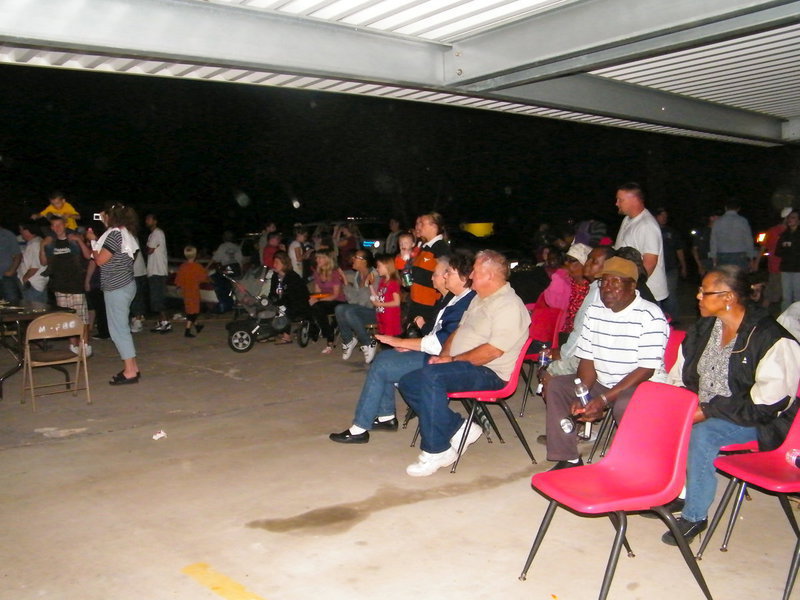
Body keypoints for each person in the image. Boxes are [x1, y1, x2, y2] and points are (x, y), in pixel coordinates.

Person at [661, 266, 800, 545]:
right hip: (706, 406)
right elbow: (680, 373)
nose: (698, 296)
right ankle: (675, 490)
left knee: (704, 434)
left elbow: (767, 404)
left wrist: (708, 411)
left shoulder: (770, 338)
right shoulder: (704, 329)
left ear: (728, 297)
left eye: (705, 292)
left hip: (759, 420)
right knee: (664, 415)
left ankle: (695, 515)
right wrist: (678, 404)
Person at [397, 250, 530, 477]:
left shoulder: (509, 305)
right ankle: (458, 428)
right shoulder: (480, 298)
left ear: (490, 275)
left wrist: (453, 360)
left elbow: (492, 351)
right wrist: (445, 355)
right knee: (408, 382)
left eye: (475, 272)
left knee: (431, 377)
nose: (470, 277)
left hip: (490, 372)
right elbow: (459, 330)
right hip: (464, 364)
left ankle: (436, 450)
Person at [329, 254, 475, 444]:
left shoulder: (464, 302)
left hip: (442, 358)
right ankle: (385, 417)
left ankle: (361, 427)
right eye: (444, 272)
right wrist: (410, 344)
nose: (442, 277)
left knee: (383, 364)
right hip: (433, 352)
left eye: (447, 272)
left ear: (464, 278)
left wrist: (402, 343)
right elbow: (435, 335)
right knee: (385, 359)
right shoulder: (454, 299)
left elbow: (440, 343)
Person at [542, 257, 669, 470]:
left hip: (641, 385)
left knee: (625, 403)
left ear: (632, 285)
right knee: (557, 387)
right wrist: (584, 394)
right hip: (604, 381)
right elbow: (588, 358)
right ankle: (569, 458)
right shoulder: (595, 311)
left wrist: (601, 399)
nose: (607, 289)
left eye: (615, 282)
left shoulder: (651, 315)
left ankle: (637, 467)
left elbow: (646, 369)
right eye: (604, 282)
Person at [85, 204, 141, 385]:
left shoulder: (115, 234)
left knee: (119, 331)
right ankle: (132, 367)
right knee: (121, 328)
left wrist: (93, 240)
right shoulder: (125, 233)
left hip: (117, 288)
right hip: (125, 285)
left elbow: (100, 260)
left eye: (104, 215)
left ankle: (130, 371)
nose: (102, 218)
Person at [539, 245, 614, 378]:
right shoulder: (592, 288)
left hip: (587, 354)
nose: (588, 263)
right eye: (588, 259)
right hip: (576, 342)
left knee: (547, 371)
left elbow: (580, 333)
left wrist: (562, 354)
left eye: (594, 262)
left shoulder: (598, 293)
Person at [40, 216, 93, 356]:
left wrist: (80, 241)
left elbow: (88, 256)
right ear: (51, 227)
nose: (57, 228)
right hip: (59, 285)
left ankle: (85, 344)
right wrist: (42, 246)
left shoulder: (73, 239)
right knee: (67, 318)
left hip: (76, 284)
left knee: (82, 318)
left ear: (65, 225)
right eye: (54, 225)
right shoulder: (50, 242)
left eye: (59, 225)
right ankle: (73, 344)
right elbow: (43, 262)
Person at [613, 182, 668, 303]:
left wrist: (633, 287)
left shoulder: (647, 225)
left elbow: (650, 263)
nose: (616, 203)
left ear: (634, 200)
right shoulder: (627, 220)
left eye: (620, 200)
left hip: (646, 292)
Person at [336, 249, 379, 363]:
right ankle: (348, 340)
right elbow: (354, 300)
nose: (353, 259)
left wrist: (353, 296)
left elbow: (365, 301)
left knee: (349, 311)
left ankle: (367, 343)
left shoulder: (374, 275)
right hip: (362, 309)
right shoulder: (357, 276)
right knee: (339, 309)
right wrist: (345, 281)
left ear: (364, 261)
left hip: (375, 312)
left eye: (356, 257)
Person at [408, 212, 449, 325]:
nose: (418, 227)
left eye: (422, 224)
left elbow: (445, 277)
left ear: (434, 226)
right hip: (416, 302)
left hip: (428, 307)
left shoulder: (440, 248)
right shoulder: (424, 247)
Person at [268, 250, 311, 344]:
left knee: (283, 310)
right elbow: (272, 292)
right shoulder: (275, 276)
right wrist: (271, 300)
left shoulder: (293, 277)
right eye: (274, 262)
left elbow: (294, 297)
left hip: (297, 304)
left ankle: (287, 337)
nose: (274, 265)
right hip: (283, 302)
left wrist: (279, 304)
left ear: (284, 263)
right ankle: (272, 332)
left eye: (277, 262)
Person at [309, 250, 346, 354]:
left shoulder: (334, 273)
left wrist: (318, 300)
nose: (317, 260)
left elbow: (335, 295)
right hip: (325, 300)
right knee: (312, 305)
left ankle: (329, 337)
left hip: (338, 301)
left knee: (318, 306)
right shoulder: (317, 272)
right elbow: (317, 292)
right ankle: (317, 331)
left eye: (320, 258)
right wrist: (314, 298)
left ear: (327, 260)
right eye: (317, 258)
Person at [655, 208, 687, 320]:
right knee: (657, 295)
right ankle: (658, 319)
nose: (664, 218)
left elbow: (679, 249)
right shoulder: (651, 230)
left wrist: (683, 265)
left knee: (670, 294)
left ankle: (674, 319)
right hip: (655, 269)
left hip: (670, 268)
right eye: (661, 215)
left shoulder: (672, 232)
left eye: (665, 216)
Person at [710, 199, 757, 270]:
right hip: (740, 254)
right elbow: (748, 239)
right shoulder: (742, 221)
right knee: (739, 278)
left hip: (722, 254)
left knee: (725, 278)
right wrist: (751, 257)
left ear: (725, 208)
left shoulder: (718, 222)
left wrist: (713, 257)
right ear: (738, 209)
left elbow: (713, 240)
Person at [174, 245, 211, 338]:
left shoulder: (183, 267)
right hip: (194, 291)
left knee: (190, 309)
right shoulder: (197, 266)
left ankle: (197, 326)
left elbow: (178, 280)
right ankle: (187, 330)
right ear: (195, 255)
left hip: (186, 291)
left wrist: (179, 287)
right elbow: (203, 277)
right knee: (194, 311)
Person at [145, 214, 171, 333]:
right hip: (154, 270)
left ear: (155, 221)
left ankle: (166, 322)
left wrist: (147, 249)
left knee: (158, 298)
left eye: (149, 219)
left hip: (158, 271)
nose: (147, 221)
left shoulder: (157, 233)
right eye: (146, 219)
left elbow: (149, 250)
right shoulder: (153, 234)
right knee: (156, 299)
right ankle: (161, 322)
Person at [762, 207, 792, 309]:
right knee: (772, 289)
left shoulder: (793, 231)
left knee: (786, 291)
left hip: (790, 265)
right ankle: (763, 312)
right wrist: (757, 262)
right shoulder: (774, 230)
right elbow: (764, 246)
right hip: (776, 265)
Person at [17, 221, 48, 304]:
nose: (20, 232)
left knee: (32, 312)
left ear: (27, 230)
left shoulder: (35, 244)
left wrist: (24, 280)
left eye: (21, 230)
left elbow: (35, 267)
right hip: (35, 284)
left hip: (32, 285)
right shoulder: (35, 242)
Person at [372, 254, 402, 336]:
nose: (377, 269)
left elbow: (396, 302)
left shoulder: (393, 283)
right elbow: (379, 297)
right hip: (382, 315)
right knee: (384, 339)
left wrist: (380, 304)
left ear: (387, 266)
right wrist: (370, 285)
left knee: (389, 340)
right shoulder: (382, 281)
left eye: (379, 266)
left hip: (390, 317)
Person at [776, 209, 800, 311]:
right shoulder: (784, 234)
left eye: (793, 217)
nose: (790, 219)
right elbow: (778, 251)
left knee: (797, 296)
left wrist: (791, 247)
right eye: (789, 217)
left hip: (798, 269)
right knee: (786, 297)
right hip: (786, 268)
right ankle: (785, 321)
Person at [691, 210, 722, 278]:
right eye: (718, 217)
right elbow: (694, 249)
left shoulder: (722, 232)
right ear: (711, 218)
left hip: (720, 260)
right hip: (706, 261)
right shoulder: (702, 231)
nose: (720, 219)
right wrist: (700, 265)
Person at [0, 222, 22, 303]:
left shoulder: (7, 235)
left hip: (6, 277)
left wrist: (11, 271)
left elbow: (18, 255)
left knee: (12, 302)